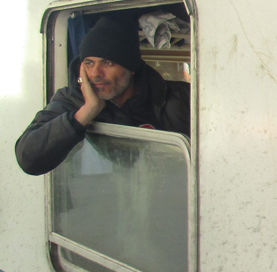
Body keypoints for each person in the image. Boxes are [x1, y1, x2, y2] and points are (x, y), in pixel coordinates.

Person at [15, 16, 191, 175]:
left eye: (107, 63)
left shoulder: (178, 96)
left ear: (131, 68)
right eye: (89, 63)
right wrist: (87, 111)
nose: (96, 73)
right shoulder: (73, 99)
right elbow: (29, 159)